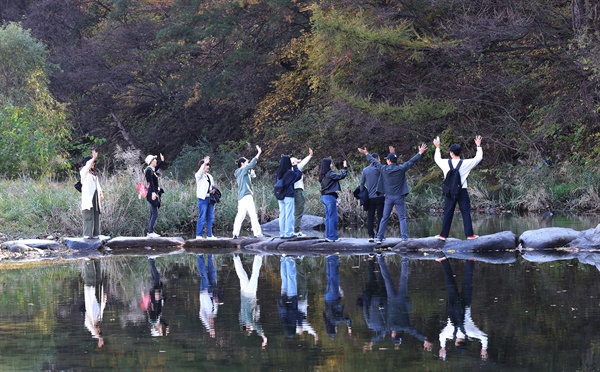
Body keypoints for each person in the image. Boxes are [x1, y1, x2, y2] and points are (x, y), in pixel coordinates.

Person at [358, 144, 427, 243]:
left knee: (384, 218)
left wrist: (366, 153)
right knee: (402, 217)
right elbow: (411, 161)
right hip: (399, 197)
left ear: (389, 161)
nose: (386, 160)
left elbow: (374, 161)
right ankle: (404, 238)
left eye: (387, 159)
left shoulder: (384, 169)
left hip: (388, 198)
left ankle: (379, 238)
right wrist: (420, 152)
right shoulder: (401, 168)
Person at [437, 257, 488, 361]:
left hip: (465, 304)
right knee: (449, 282)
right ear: (456, 343)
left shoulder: (471, 333)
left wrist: (484, 348)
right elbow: (441, 335)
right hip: (452, 304)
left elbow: (484, 338)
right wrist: (443, 347)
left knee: (467, 281)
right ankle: (443, 260)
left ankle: (471, 260)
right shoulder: (449, 334)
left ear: (465, 342)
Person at [433, 136, 483, 240]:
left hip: (450, 191)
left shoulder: (445, 163)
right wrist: (478, 145)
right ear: (460, 152)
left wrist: (437, 147)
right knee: (465, 212)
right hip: (462, 191)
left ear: (451, 153)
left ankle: (443, 235)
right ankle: (469, 235)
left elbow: (436, 159)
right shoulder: (466, 163)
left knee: (448, 212)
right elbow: (478, 158)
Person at [233, 254, 267, 348]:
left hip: (250, 294)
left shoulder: (248, 320)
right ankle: (235, 257)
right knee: (242, 275)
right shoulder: (241, 318)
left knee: (255, 275)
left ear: (247, 327)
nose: (252, 329)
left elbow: (256, 326)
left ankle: (259, 255)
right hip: (243, 293)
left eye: (250, 330)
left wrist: (263, 337)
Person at [232, 145, 263, 239]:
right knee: (253, 214)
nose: (247, 163)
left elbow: (250, 173)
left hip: (240, 197)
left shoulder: (237, 172)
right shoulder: (244, 169)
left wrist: (250, 172)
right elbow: (252, 164)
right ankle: (258, 234)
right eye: (246, 162)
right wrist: (259, 152)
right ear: (242, 163)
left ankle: (235, 233)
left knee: (240, 215)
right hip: (247, 195)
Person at [319, 158, 348, 242]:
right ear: (328, 165)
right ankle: (332, 237)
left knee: (328, 217)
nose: (332, 165)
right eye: (331, 164)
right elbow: (341, 176)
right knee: (333, 217)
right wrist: (345, 168)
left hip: (324, 197)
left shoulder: (322, 175)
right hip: (330, 197)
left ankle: (328, 236)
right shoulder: (330, 174)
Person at [323, 255, 352, 337]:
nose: (337, 329)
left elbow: (346, 319)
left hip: (333, 298)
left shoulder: (334, 321)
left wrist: (349, 326)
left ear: (333, 329)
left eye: (336, 331)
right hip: (327, 298)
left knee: (334, 278)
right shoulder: (327, 319)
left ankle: (332, 259)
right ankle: (328, 259)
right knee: (330, 278)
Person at [275, 155, 302, 238]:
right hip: (288, 195)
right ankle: (288, 233)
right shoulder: (290, 172)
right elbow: (298, 175)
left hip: (280, 196)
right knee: (289, 215)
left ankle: (282, 233)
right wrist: (295, 166)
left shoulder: (278, 173)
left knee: (282, 215)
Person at [142, 257, 169, 336]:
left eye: (160, 330)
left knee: (156, 277)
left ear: (156, 328)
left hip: (155, 296)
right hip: (156, 296)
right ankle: (151, 260)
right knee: (155, 278)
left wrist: (156, 299)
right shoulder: (156, 320)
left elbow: (154, 309)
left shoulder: (154, 320)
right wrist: (167, 326)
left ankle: (151, 260)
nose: (161, 329)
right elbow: (161, 318)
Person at [360, 152, 384, 242]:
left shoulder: (365, 170)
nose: (380, 160)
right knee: (380, 216)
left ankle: (370, 235)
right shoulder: (380, 169)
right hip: (380, 196)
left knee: (370, 216)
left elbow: (362, 184)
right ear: (376, 159)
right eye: (379, 158)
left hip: (370, 197)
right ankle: (379, 234)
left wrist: (362, 193)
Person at [83, 258, 106, 349]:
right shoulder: (99, 319)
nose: (99, 330)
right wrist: (104, 300)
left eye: (98, 331)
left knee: (90, 276)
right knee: (98, 276)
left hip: (90, 291)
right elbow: (102, 308)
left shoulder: (90, 322)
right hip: (97, 292)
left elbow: (91, 329)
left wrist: (98, 338)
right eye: (100, 331)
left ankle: (88, 260)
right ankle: (97, 259)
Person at [80, 150, 104, 239]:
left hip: (95, 196)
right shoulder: (84, 172)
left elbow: (97, 185)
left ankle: (95, 234)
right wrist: (93, 158)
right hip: (88, 197)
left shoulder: (94, 174)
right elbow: (87, 166)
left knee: (96, 214)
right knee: (88, 215)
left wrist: (101, 193)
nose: (93, 165)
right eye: (92, 163)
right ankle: (87, 234)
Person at [290, 148, 313, 237]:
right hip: (297, 191)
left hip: (291, 192)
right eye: (296, 162)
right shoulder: (296, 169)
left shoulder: (288, 170)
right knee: (299, 211)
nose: (298, 163)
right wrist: (310, 155)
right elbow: (304, 162)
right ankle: (296, 231)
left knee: (291, 212)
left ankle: (291, 230)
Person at [195, 156, 217, 239]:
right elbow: (199, 172)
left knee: (210, 217)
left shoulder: (210, 176)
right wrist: (204, 163)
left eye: (208, 165)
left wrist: (213, 190)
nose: (208, 167)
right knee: (202, 216)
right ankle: (199, 235)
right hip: (202, 198)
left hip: (210, 198)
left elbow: (212, 186)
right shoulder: (199, 175)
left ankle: (209, 235)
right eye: (206, 165)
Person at [144, 153, 165, 238]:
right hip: (151, 193)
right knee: (155, 213)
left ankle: (150, 231)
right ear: (151, 161)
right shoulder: (149, 170)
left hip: (152, 193)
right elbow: (150, 182)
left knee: (152, 213)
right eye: (155, 159)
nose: (156, 161)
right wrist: (153, 193)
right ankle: (150, 232)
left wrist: (162, 161)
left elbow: (156, 168)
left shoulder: (151, 170)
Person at [198, 254, 219, 338]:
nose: (211, 322)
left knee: (204, 275)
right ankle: (210, 255)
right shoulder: (214, 313)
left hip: (204, 291)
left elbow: (201, 316)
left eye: (211, 325)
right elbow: (216, 302)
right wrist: (216, 300)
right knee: (212, 272)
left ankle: (199, 256)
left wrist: (209, 328)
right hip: (212, 290)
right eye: (212, 324)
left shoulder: (204, 315)